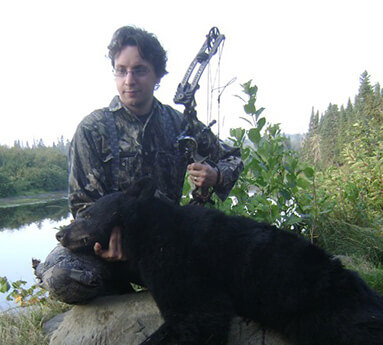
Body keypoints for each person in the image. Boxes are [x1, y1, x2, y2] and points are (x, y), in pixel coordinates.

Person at [34, 26, 243, 304]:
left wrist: (215, 176)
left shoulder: (180, 124)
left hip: (164, 249)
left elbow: (233, 158)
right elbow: (84, 205)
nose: (129, 80)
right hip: (104, 249)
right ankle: (115, 290)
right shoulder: (92, 129)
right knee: (61, 276)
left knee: (236, 262)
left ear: (157, 76)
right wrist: (109, 241)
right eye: (121, 70)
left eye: (139, 70)